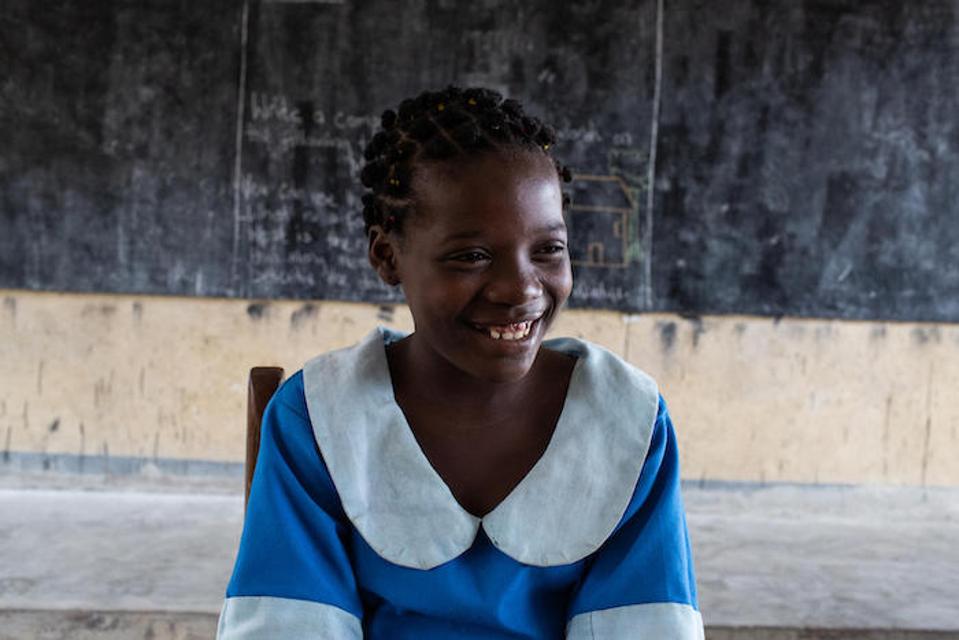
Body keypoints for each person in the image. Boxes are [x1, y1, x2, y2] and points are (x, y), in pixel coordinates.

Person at [217, 86, 703, 638]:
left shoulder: (627, 418)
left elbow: (646, 624)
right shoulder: (320, 416)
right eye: (471, 256)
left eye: (548, 249)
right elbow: (290, 622)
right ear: (386, 255)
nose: (521, 289)